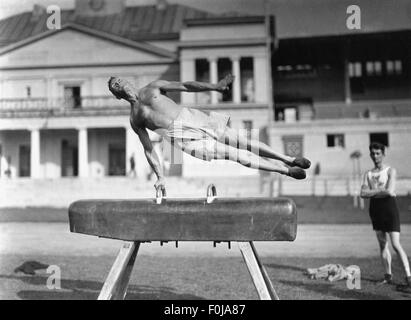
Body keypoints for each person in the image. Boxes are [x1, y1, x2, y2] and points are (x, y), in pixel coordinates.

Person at [108, 74, 311, 192]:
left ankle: (289, 158)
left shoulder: (153, 87)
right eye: (115, 86)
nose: (119, 84)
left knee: (242, 141)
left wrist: (214, 87)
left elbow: (186, 86)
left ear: (128, 80)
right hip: (180, 137)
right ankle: (286, 171)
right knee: (237, 155)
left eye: (119, 80)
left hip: (191, 116)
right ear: (117, 96)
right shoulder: (134, 118)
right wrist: (160, 176)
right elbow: (149, 149)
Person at [360, 142, 411, 287]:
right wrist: (380, 190)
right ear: (370, 155)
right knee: (382, 244)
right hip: (375, 210)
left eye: (378, 153)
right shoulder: (368, 174)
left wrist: (373, 192)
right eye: (373, 153)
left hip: (389, 209)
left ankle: (409, 276)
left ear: (383, 154)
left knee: (395, 244)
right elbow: (362, 193)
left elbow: (390, 191)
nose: (375, 156)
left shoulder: (390, 171)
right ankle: (387, 276)